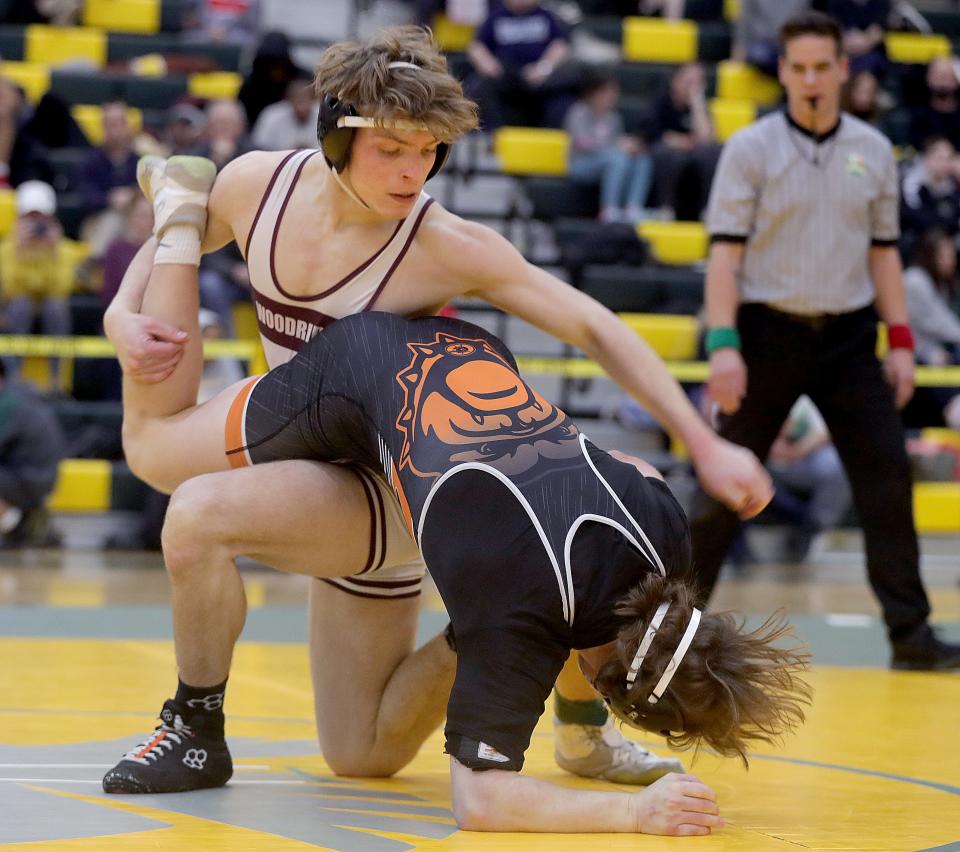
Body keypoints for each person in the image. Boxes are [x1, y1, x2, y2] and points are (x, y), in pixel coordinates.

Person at [102, 27, 773, 794]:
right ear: (335, 134)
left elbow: (592, 324)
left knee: (186, 501)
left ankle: (194, 730)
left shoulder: (442, 241)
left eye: (428, 150)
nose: (412, 171)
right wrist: (122, 316)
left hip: (394, 490)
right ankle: (506, 629)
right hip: (306, 456)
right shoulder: (258, 183)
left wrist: (703, 442)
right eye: (392, 149)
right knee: (363, 754)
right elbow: (157, 259)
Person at [104, 302, 811, 834]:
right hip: (353, 369)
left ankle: (580, 730)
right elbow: (480, 801)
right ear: (607, 684)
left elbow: (632, 469)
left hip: (476, 361)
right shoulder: (523, 607)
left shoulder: (666, 534)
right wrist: (632, 818)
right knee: (164, 470)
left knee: (363, 756)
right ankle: (195, 728)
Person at [689, 10, 960, 670]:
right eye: (798, 68)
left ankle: (911, 636)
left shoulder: (872, 150)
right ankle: (673, 630)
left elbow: (886, 256)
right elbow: (723, 256)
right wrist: (723, 345)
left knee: (888, 479)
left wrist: (899, 341)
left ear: (843, 71)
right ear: (783, 72)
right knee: (726, 486)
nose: (810, 80)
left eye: (822, 68)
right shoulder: (750, 149)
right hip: (765, 335)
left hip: (847, 338)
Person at [0, 181, 76, 383]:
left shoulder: (64, 249)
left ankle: (57, 382)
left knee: (56, 307)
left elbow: (61, 289)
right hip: (16, 309)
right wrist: (21, 252)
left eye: (40, 218)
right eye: (30, 218)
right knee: (20, 305)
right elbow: (11, 289)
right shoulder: (8, 249)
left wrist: (53, 252)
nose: (36, 224)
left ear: (51, 218)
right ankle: (13, 381)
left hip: (50, 307)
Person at [466, 0, 576, 130]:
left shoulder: (545, 16)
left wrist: (543, 68)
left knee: (565, 90)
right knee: (478, 86)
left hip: (540, 77)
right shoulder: (496, 16)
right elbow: (477, 46)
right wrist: (488, 64)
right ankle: (492, 136)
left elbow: (560, 45)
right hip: (505, 75)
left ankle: (554, 138)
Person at [767, 395, 852, 563]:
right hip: (762, 460)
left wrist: (799, 450)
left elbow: (827, 430)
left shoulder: (814, 392)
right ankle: (739, 552)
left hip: (804, 459)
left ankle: (815, 526)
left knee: (836, 464)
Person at [564, 71, 653, 224]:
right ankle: (609, 209)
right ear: (594, 93)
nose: (611, 97)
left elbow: (617, 141)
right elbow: (582, 143)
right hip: (581, 163)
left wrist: (629, 146)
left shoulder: (613, 117)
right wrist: (615, 146)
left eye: (613, 93)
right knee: (617, 158)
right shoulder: (579, 112)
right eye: (606, 92)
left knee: (642, 159)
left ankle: (633, 208)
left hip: (607, 160)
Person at [0, 358, 65, 547]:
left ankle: (13, 525)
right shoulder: (21, 395)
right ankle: (26, 521)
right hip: (41, 476)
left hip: (30, 479)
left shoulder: (7, 403)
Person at [646, 63, 721, 221]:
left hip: (694, 157)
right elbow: (656, 135)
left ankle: (708, 210)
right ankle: (665, 209)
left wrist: (697, 103)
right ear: (675, 81)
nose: (694, 87)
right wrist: (682, 141)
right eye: (689, 82)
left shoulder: (700, 106)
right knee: (668, 154)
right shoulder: (661, 102)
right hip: (669, 156)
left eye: (699, 82)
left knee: (712, 153)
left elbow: (707, 139)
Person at [902, 229, 960, 430]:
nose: (950, 261)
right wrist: (930, 352)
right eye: (944, 256)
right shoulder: (915, 280)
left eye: (952, 255)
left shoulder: (941, 283)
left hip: (937, 356)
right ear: (929, 254)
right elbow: (937, 325)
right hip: (916, 357)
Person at [76, 101, 139, 260]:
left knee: (134, 223)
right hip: (97, 222)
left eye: (119, 123)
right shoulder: (90, 161)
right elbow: (86, 197)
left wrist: (132, 197)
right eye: (110, 124)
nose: (116, 130)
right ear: (103, 128)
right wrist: (110, 199)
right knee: (113, 219)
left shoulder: (139, 161)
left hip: (135, 221)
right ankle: (95, 262)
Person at [250, 73, 320, 152]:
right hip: (276, 162)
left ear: (314, 99)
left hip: (316, 162)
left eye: (305, 99)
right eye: (297, 99)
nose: (301, 106)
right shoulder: (271, 115)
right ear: (288, 99)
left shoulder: (323, 115)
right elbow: (259, 147)